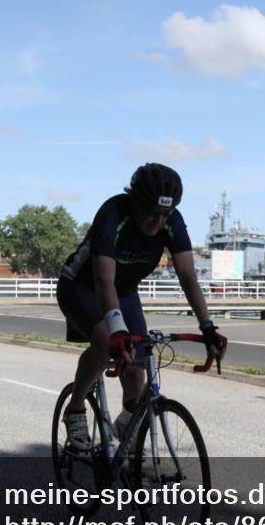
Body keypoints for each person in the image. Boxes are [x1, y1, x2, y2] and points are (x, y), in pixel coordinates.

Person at [56, 163, 223, 451]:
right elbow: (103, 280)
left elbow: (187, 275)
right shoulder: (112, 215)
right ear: (134, 201)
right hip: (82, 287)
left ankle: (126, 440)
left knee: (136, 370)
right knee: (105, 341)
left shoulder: (172, 222)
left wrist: (207, 327)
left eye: (165, 214)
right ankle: (76, 409)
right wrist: (118, 330)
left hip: (124, 291)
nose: (158, 222)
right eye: (151, 213)